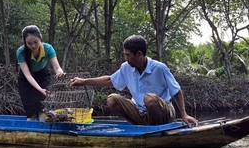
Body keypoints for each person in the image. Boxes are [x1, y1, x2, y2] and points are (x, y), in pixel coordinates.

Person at [70, 35, 198, 126]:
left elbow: (176, 91)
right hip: (140, 113)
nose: (126, 58)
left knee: (149, 99)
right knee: (112, 100)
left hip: (164, 113)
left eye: (128, 55)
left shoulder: (159, 68)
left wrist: (184, 114)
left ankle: (158, 129)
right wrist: (83, 81)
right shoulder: (126, 68)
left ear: (139, 54)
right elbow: (109, 80)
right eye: (125, 55)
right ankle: (136, 126)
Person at [16, 25, 65, 121]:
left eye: (36, 42)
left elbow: (57, 67)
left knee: (42, 106)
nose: (33, 46)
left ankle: (44, 124)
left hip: (42, 75)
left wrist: (60, 72)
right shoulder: (21, 52)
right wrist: (40, 89)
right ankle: (31, 124)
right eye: (29, 43)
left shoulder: (48, 48)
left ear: (40, 38)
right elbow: (28, 75)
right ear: (25, 42)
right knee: (30, 108)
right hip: (26, 79)